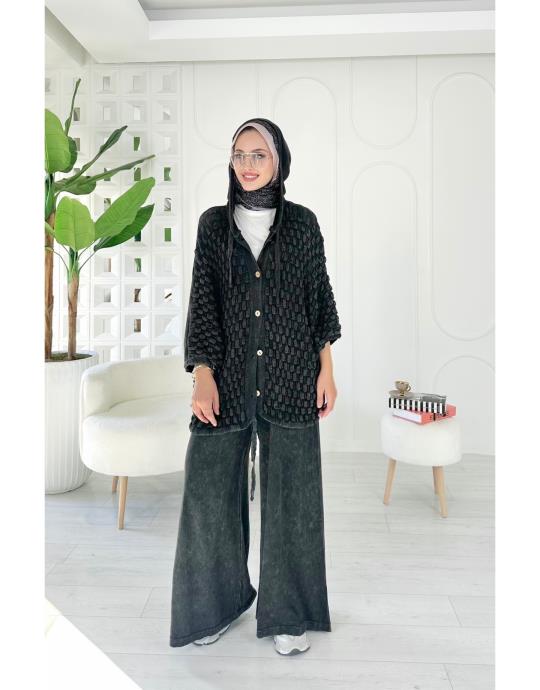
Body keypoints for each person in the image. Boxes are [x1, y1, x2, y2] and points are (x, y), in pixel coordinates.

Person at [170, 117, 342, 656]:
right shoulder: (213, 225)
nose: (247, 165)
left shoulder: (303, 225)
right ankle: (214, 606)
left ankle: (289, 614)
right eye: (239, 154)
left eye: (258, 155)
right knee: (209, 498)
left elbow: (318, 300)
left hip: (293, 377)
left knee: (293, 502)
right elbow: (203, 303)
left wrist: (327, 368)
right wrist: (202, 375)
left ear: (278, 161)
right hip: (226, 381)